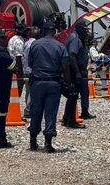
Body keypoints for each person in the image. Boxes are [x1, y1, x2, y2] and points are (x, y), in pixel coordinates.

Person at [27, 21, 69, 153]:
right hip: (53, 83)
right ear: (55, 32)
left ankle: (33, 142)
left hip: (37, 83)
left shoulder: (35, 44)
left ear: (43, 31)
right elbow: (65, 66)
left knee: (36, 111)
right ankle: (48, 143)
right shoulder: (60, 46)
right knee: (51, 113)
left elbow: (30, 63)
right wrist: (68, 82)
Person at [63, 20, 93, 127]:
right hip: (73, 71)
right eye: (84, 30)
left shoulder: (76, 37)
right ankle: (71, 121)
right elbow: (72, 55)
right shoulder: (75, 38)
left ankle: (66, 118)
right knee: (73, 95)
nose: (86, 32)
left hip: (73, 70)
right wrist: (77, 73)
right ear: (79, 29)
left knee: (72, 95)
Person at [22, 26, 40, 119]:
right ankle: (29, 110)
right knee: (32, 92)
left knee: (28, 91)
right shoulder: (34, 43)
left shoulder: (27, 43)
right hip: (31, 70)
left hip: (26, 69)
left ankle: (28, 109)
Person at [8, 24, 27, 96]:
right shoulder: (19, 42)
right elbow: (18, 58)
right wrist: (21, 75)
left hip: (12, 67)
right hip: (17, 70)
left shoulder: (12, 39)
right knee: (17, 92)